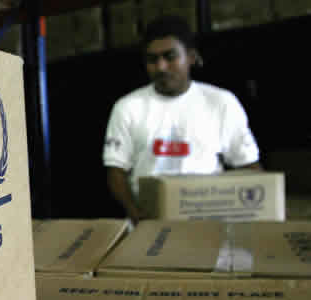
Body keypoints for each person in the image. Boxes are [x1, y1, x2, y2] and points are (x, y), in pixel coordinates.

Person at [102, 15, 262, 225]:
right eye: (152, 59)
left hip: (210, 226)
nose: (161, 66)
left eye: (170, 56)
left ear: (192, 57)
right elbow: (116, 171)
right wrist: (134, 212)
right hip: (148, 226)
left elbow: (249, 166)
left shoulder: (221, 102)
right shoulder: (127, 107)